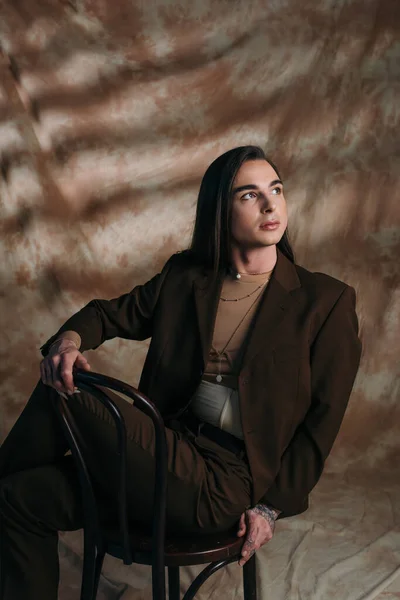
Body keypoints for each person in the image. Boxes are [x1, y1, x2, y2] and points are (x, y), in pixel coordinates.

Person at [0, 145, 362, 600]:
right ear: (219, 210)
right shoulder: (186, 277)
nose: (271, 205)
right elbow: (106, 315)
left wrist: (270, 508)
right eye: (249, 195)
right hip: (157, 454)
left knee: (67, 392)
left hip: (219, 481)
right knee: (19, 498)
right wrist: (67, 341)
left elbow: (320, 425)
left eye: (276, 189)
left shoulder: (325, 302)